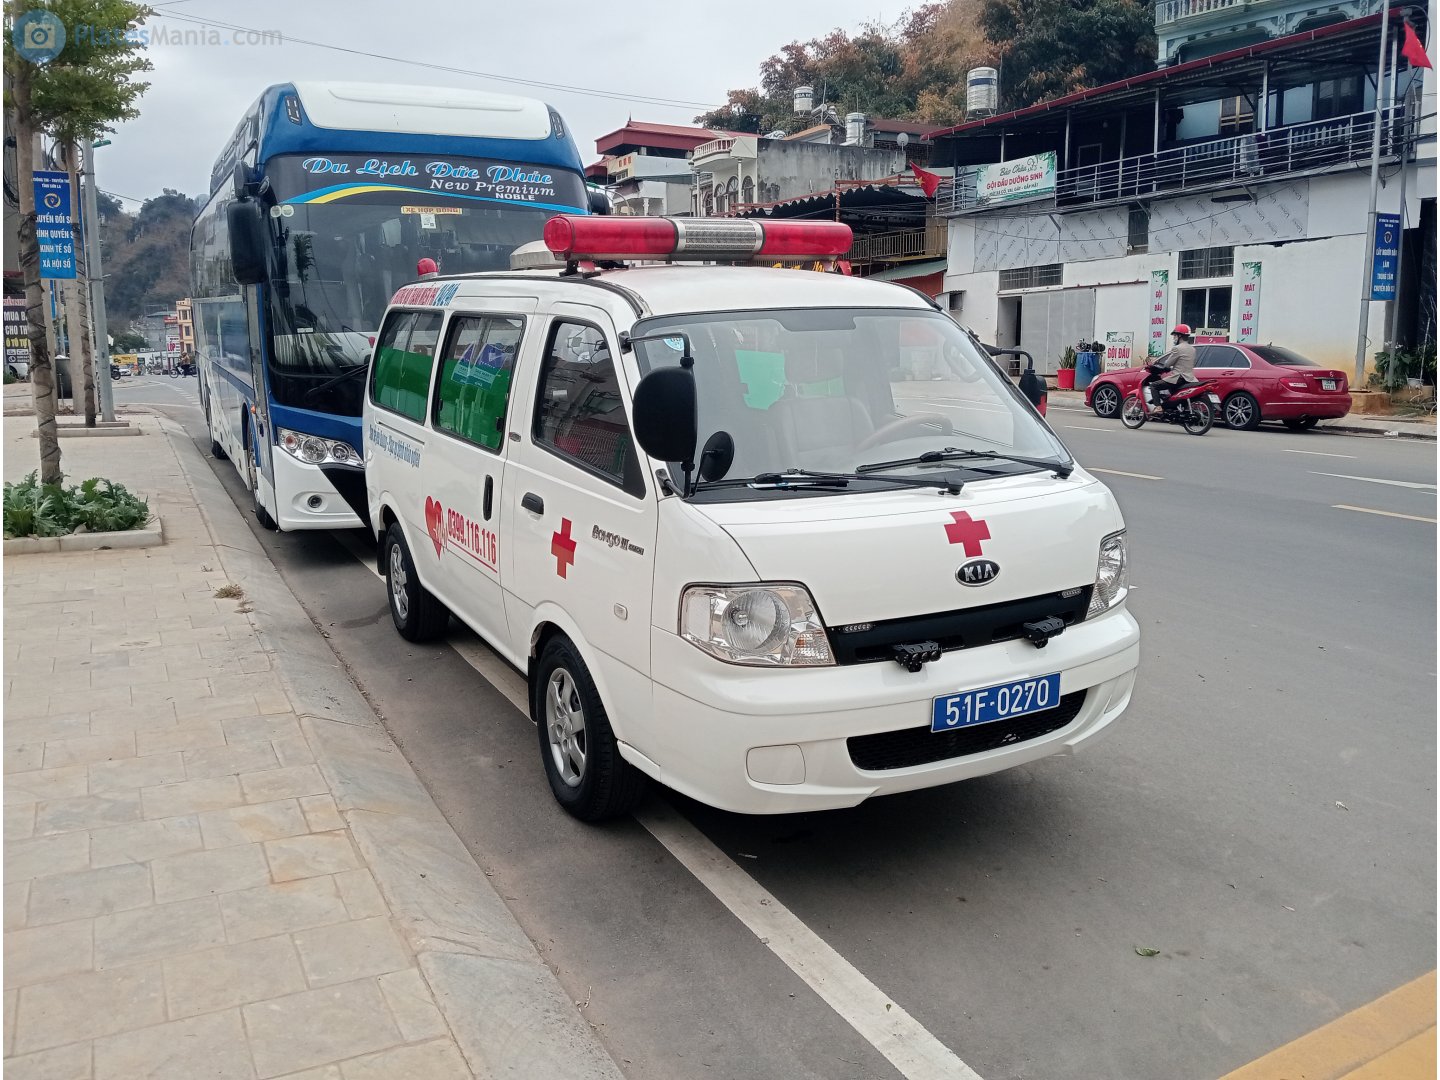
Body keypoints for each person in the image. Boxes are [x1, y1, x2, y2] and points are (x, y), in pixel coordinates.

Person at [1148, 324, 1198, 409]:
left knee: (1154, 386)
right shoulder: (1192, 349)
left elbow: (1167, 364)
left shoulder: (1177, 348)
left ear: (1179, 336)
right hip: (1190, 378)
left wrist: (1166, 366)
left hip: (1178, 378)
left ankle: (1158, 407)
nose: (1174, 338)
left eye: (1175, 335)